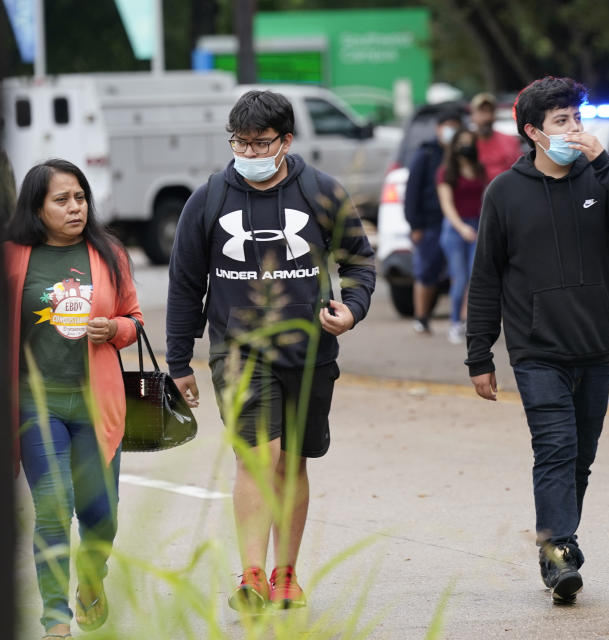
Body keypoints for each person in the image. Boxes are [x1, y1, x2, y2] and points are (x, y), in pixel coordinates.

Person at [165, 90, 376, 612]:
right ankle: (253, 575)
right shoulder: (209, 197)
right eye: (240, 142)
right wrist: (177, 361)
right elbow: (185, 284)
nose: (250, 153)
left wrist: (351, 309)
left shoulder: (323, 192)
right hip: (238, 350)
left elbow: (360, 265)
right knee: (261, 457)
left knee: (294, 463)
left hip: (309, 353)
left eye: (261, 143)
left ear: (286, 141)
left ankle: (287, 574)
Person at [465, 77, 609, 604]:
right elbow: (485, 277)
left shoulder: (599, 178)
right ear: (533, 132)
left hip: (595, 346)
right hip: (536, 350)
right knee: (555, 448)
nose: (575, 129)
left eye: (578, 118)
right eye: (562, 121)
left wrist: (607, 165)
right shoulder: (504, 193)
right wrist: (479, 354)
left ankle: (558, 541)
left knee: (580, 459)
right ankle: (559, 553)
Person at [5, 159, 143, 638]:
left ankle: (91, 579)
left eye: (80, 197)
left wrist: (116, 328)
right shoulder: (13, 255)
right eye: (61, 199)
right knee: (52, 506)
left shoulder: (109, 253)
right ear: (37, 208)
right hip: (35, 403)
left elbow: (135, 318)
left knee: (100, 514)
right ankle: (55, 621)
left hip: (96, 405)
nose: (75, 207)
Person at [405, 108, 463, 334]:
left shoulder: (463, 152)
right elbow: (412, 192)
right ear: (438, 128)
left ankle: (459, 320)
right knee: (426, 271)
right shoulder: (426, 154)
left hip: (459, 222)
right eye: (447, 125)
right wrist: (415, 225)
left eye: (455, 125)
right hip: (429, 223)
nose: (451, 131)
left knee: (460, 272)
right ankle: (422, 318)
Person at [437, 127, 486, 344]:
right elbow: (446, 205)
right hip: (454, 229)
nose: (466, 146)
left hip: (476, 226)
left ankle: (472, 322)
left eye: (470, 142)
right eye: (462, 142)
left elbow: (485, 198)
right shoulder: (446, 171)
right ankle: (455, 322)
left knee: (476, 278)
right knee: (460, 278)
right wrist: (461, 228)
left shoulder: (479, 169)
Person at [470, 92, 522, 180]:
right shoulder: (467, 142)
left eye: (490, 111)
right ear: (472, 115)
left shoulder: (510, 140)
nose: (487, 117)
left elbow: (520, 170)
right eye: (482, 112)